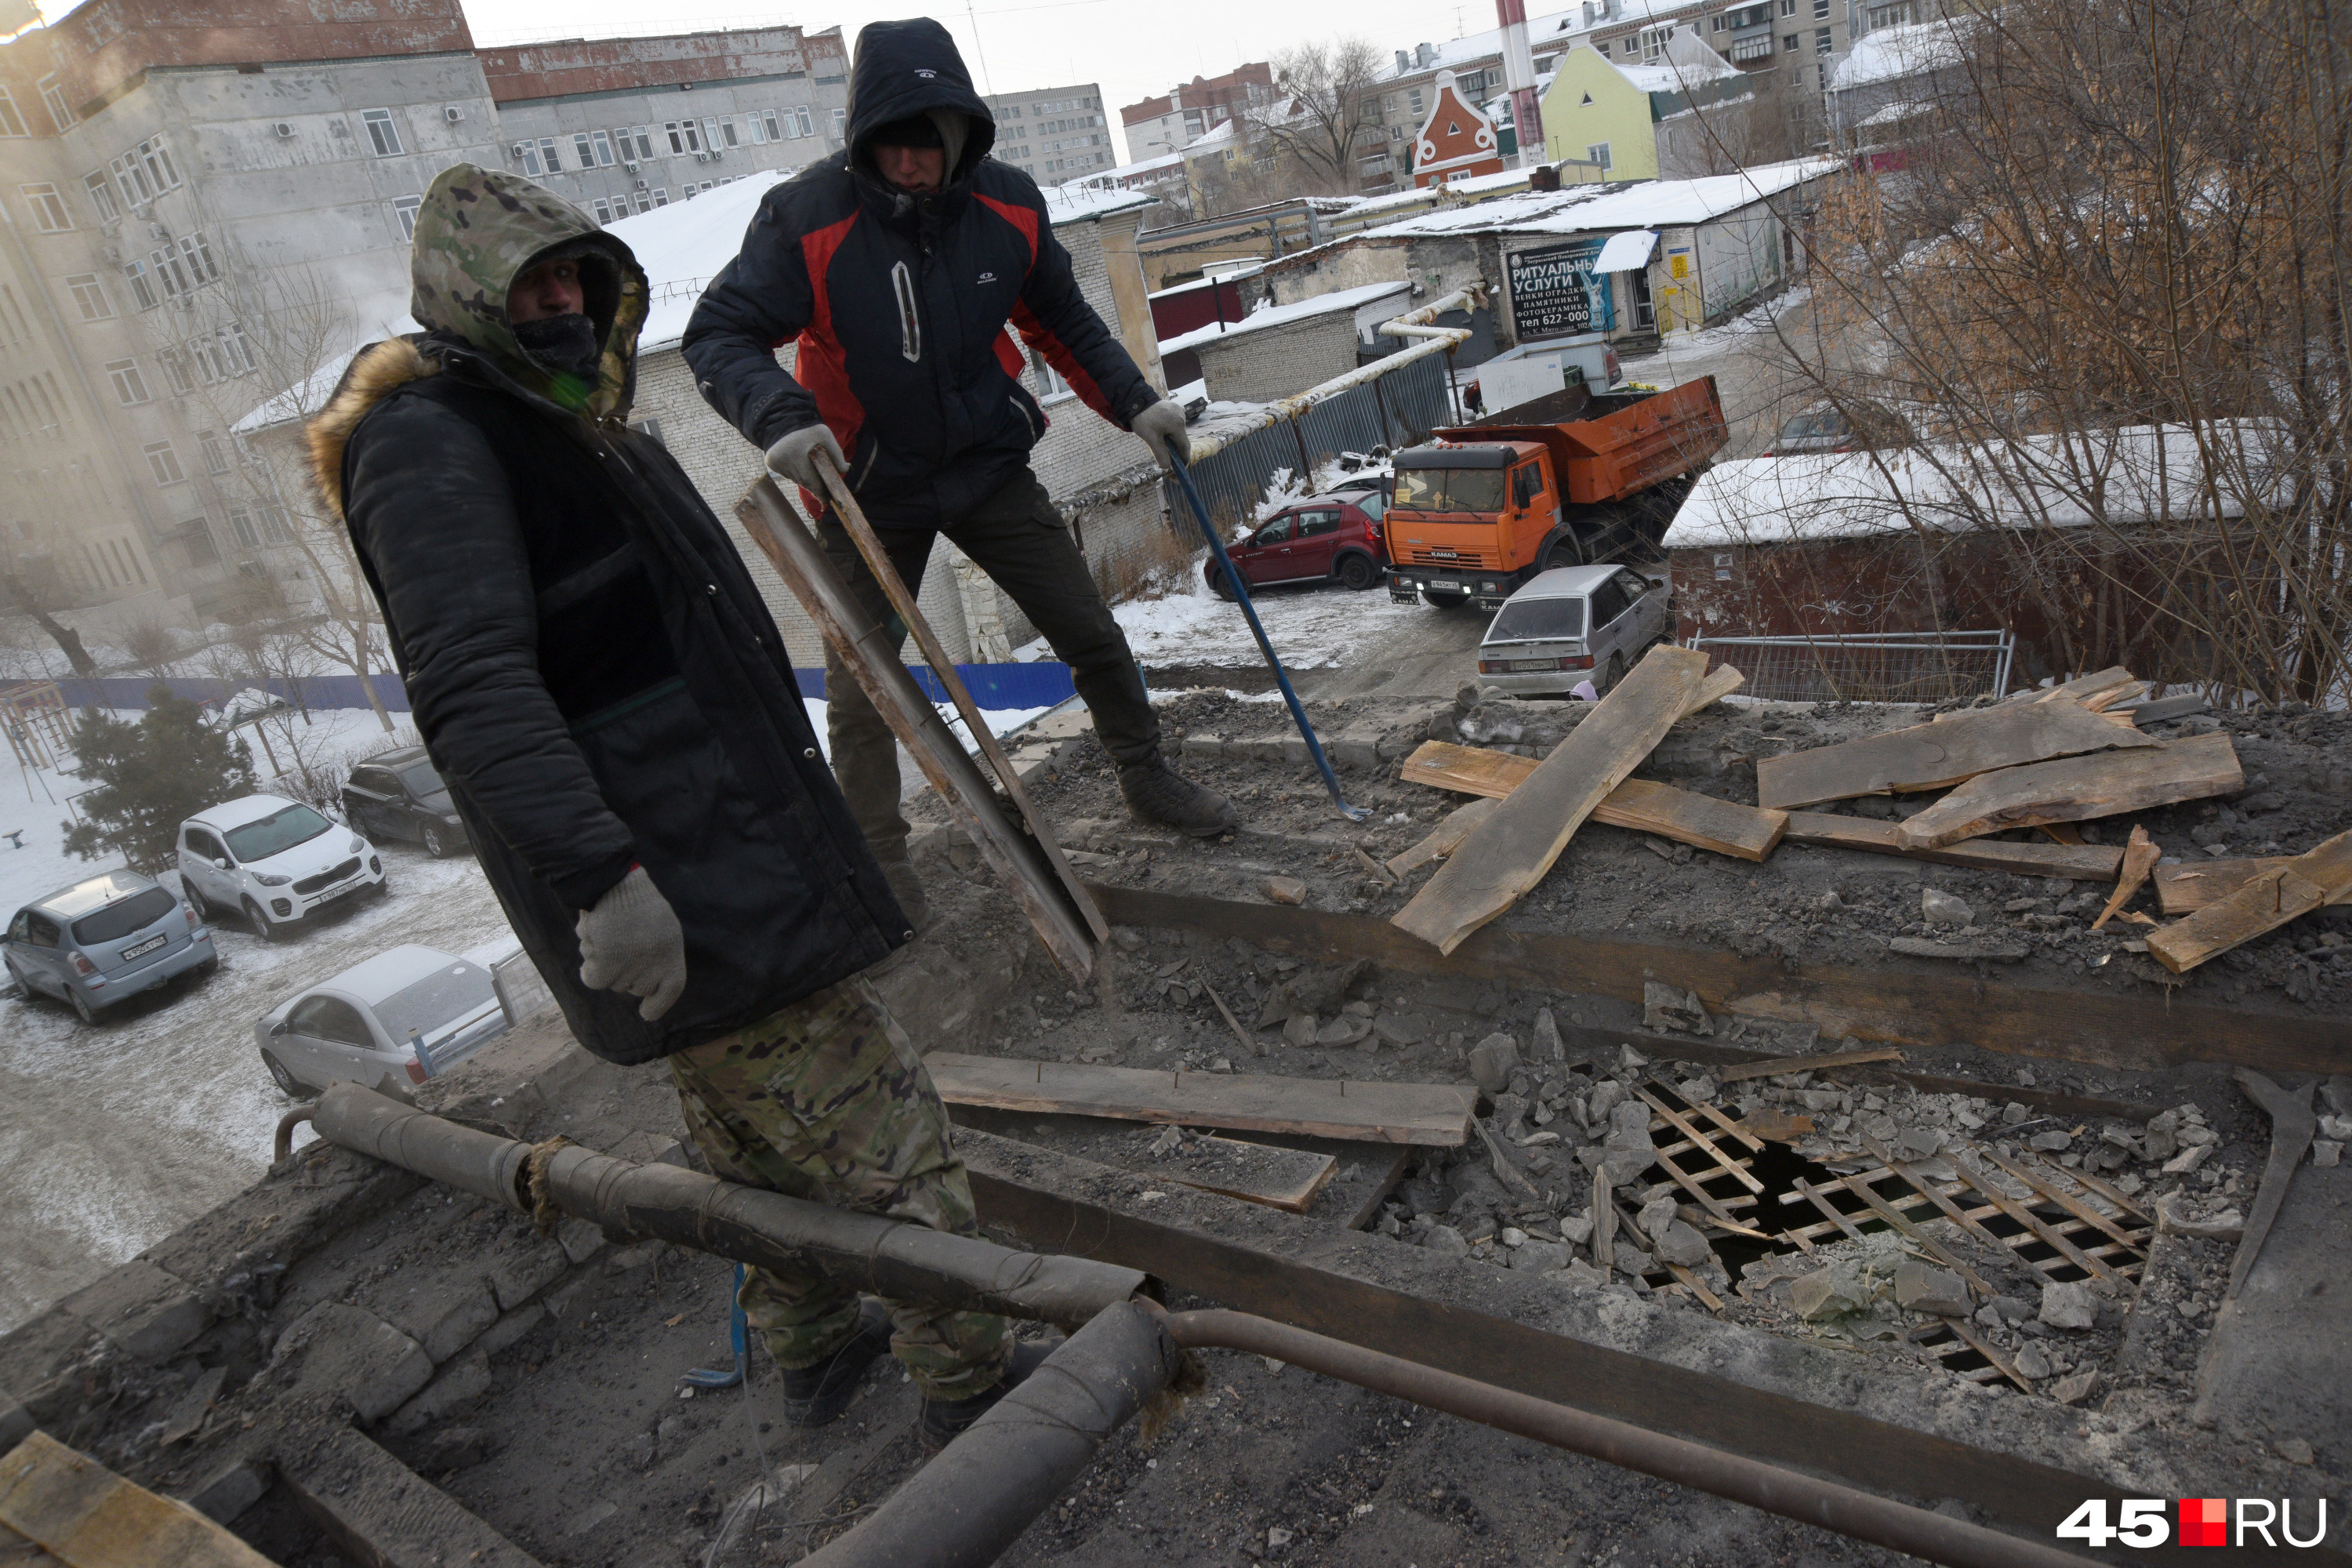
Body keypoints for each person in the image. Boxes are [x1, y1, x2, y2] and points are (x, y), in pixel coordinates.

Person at [309, 162, 1044, 1452]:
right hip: (684, 878)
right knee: (891, 1143)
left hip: (717, 853)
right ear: (460, 299)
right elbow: (473, 687)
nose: (558, 304)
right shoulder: (433, 443)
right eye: (526, 285)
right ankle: (975, 1392)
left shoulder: (555, 423)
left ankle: (816, 1357)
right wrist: (604, 876)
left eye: (572, 279)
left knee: (756, 1157)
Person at [682, 17, 1236, 927]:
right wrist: (781, 421)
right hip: (862, 484)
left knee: (1089, 631)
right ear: (865, 139)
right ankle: (882, 863)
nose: (910, 161)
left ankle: (1147, 775)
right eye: (891, 142)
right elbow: (720, 334)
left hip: (985, 465)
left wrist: (1136, 400)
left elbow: (1061, 316)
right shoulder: (808, 217)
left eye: (927, 140)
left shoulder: (1008, 207)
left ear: (960, 131)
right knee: (868, 682)